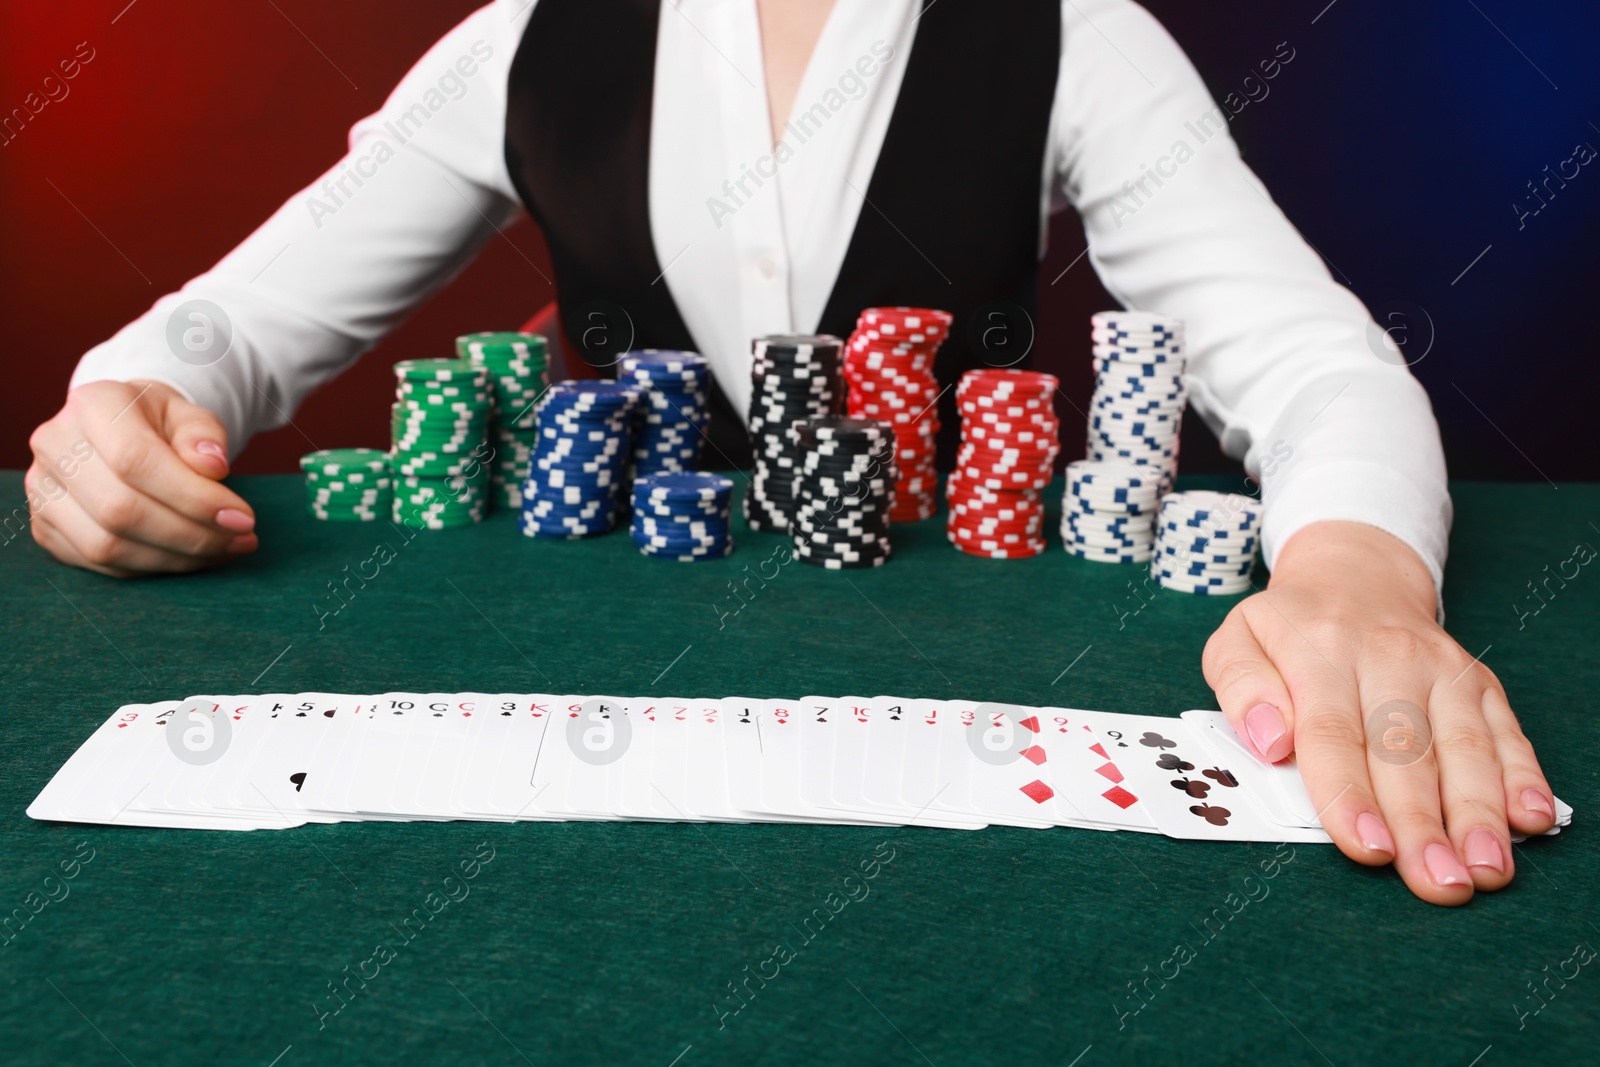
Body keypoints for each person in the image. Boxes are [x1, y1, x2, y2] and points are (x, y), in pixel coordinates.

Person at [24, 0, 1555, 904]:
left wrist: (1356, 576)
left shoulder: (1071, 33)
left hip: (968, 689)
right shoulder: (525, 40)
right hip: (591, 706)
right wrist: (125, 406)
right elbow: (224, 333)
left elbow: (1306, 360)